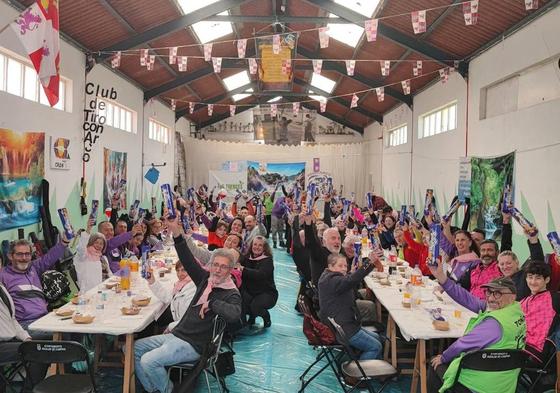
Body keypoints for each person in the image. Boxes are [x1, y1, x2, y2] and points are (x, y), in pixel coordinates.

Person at [134, 216, 241, 393]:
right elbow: (187, 258)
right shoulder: (206, 280)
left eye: (223, 267)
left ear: (231, 270)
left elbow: (235, 314)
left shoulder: (231, 293)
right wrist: (176, 232)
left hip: (195, 344)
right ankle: (155, 389)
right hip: (179, 334)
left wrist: (212, 303)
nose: (218, 269)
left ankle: (168, 390)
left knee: (148, 360)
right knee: (136, 349)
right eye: (215, 265)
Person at [427, 260, 526, 393]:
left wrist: (443, 357)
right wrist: (442, 278)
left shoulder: (494, 324)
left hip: (476, 385)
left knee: (435, 362)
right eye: (489, 292)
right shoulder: (516, 312)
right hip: (505, 385)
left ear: (513, 296)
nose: (491, 298)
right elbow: (467, 298)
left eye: (498, 293)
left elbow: (462, 344)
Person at [318, 253, 382, 360]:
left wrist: (351, 273)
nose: (344, 269)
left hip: (343, 325)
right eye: (340, 266)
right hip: (344, 330)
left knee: (378, 338)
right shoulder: (333, 281)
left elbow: (346, 281)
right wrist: (368, 262)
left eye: (345, 266)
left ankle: (377, 369)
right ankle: (361, 374)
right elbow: (350, 281)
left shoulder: (328, 277)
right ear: (330, 267)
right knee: (375, 347)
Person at [0, 235, 70, 333]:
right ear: (10, 256)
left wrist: (64, 242)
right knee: (64, 334)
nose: (24, 258)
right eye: (19, 254)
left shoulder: (33, 268)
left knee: (76, 328)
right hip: (24, 325)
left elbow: (50, 257)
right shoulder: (3, 276)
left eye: (27, 254)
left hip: (44, 318)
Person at [0, 283, 46, 393]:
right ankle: (29, 390)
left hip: (11, 339)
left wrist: (26, 338)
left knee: (48, 343)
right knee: (42, 351)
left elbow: (12, 319)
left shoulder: (2, 288)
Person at [520, 261, 560, 365]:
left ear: (547, 279)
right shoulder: (522, 301)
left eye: (538, 278)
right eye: (530, 277)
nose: (533, 282)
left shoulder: (554, 298)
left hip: (537, 352)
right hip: (517, 347)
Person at [147, 260, 196, 332]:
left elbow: (186, 321)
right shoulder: (181, 285)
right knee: (152, 318)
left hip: (183, 331)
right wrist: (152, 281)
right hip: (176, 317)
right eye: (178, 270)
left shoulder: (192, 289)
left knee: (151, 321)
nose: (180, 274)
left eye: (183, 270)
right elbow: (168, 297)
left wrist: (170, 328)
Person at [239, 236, 278, 328]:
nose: (257, 247)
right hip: (250, 291)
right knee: (242, 301)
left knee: (255, 306)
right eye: (255, 244)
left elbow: (261, 274)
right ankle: (250, 319)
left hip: (266, 292)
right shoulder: (246, 257)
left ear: (264, 248)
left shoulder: (267, 260)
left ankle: (266, 317)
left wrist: (243, 269)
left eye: (260, 245)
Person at [304, 214, 342, 287]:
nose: (337, 241)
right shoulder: (319, 254)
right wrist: (308, 224)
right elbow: (311, 242)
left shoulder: (338, 254)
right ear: (324, 242)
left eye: (339, 238)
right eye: (333, 238)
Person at [74, 218, 110, 293]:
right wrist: (88, 230)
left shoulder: (103, 258)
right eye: (96, 242)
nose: (99, 245)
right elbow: (81, 248)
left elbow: (109, 274)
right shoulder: (83, 257)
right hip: (87, 293)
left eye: (101, 244)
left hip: (102, 291)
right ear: (90, 242)